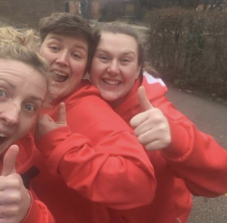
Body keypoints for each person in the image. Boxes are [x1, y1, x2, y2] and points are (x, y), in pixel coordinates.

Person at [89, 23, 227, 223]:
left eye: (125, 60)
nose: (113, 69)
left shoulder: (158, 114)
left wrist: (176, 139)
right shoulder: (76, 103)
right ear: (88, 64)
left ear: (138, 70)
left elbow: (225, 178)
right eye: (104, 57)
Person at [29, 13, 157, 223]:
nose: (62, 60)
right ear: (37, 50)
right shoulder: (25, 95)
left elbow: (140, 185)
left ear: (85, 69)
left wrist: (59, 146)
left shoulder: (88, 107)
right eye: (54, 48)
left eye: (76, 55)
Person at [0, 25, 54, 223]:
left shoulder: (8, 168)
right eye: (0, 93)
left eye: (29, 106)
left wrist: (28, 214)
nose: (13, 117)